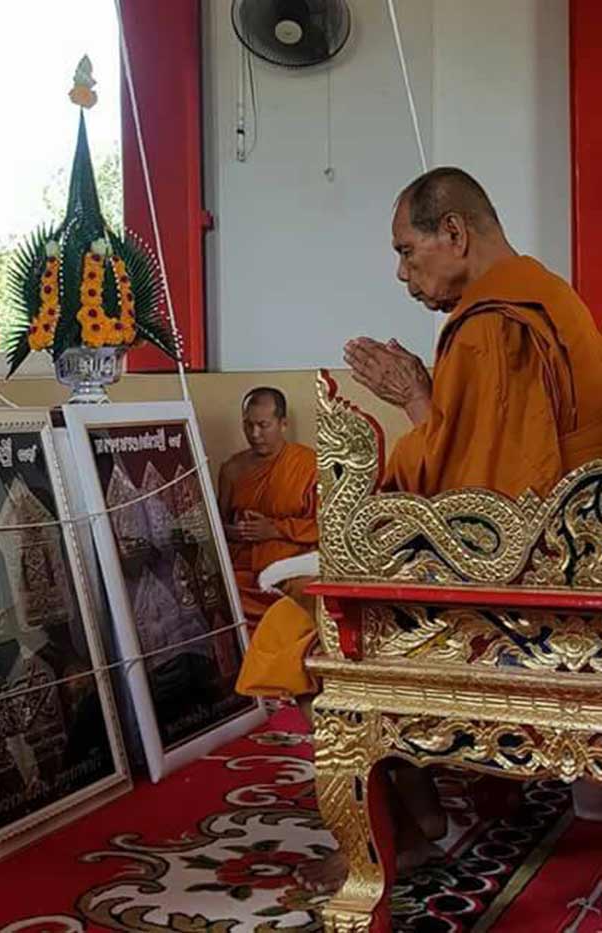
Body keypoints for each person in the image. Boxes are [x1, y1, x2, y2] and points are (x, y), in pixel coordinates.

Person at [237, 166, 602, 890]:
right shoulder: (549, 295)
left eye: (407, 250)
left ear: (455, 233)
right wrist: (425, 398)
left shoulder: (492, 329)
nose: (402, 273)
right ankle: (426, 811)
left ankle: (394, 834)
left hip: (533, 599)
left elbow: (477, 512)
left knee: (304, 629)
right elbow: (495, 467)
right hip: (574, 564)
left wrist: (412, 401)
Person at [218, 387, 318, 624]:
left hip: (289, 564)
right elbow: (217, 526)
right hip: (242, 569)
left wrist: (274, 529)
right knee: (216, 598)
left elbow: (328, 527)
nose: (255, 434)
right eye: (248, 425)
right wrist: (236, 531)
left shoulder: (308, 464)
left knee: (305, 596)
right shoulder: (232, 469)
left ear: (283, 424)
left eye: (263, 425)